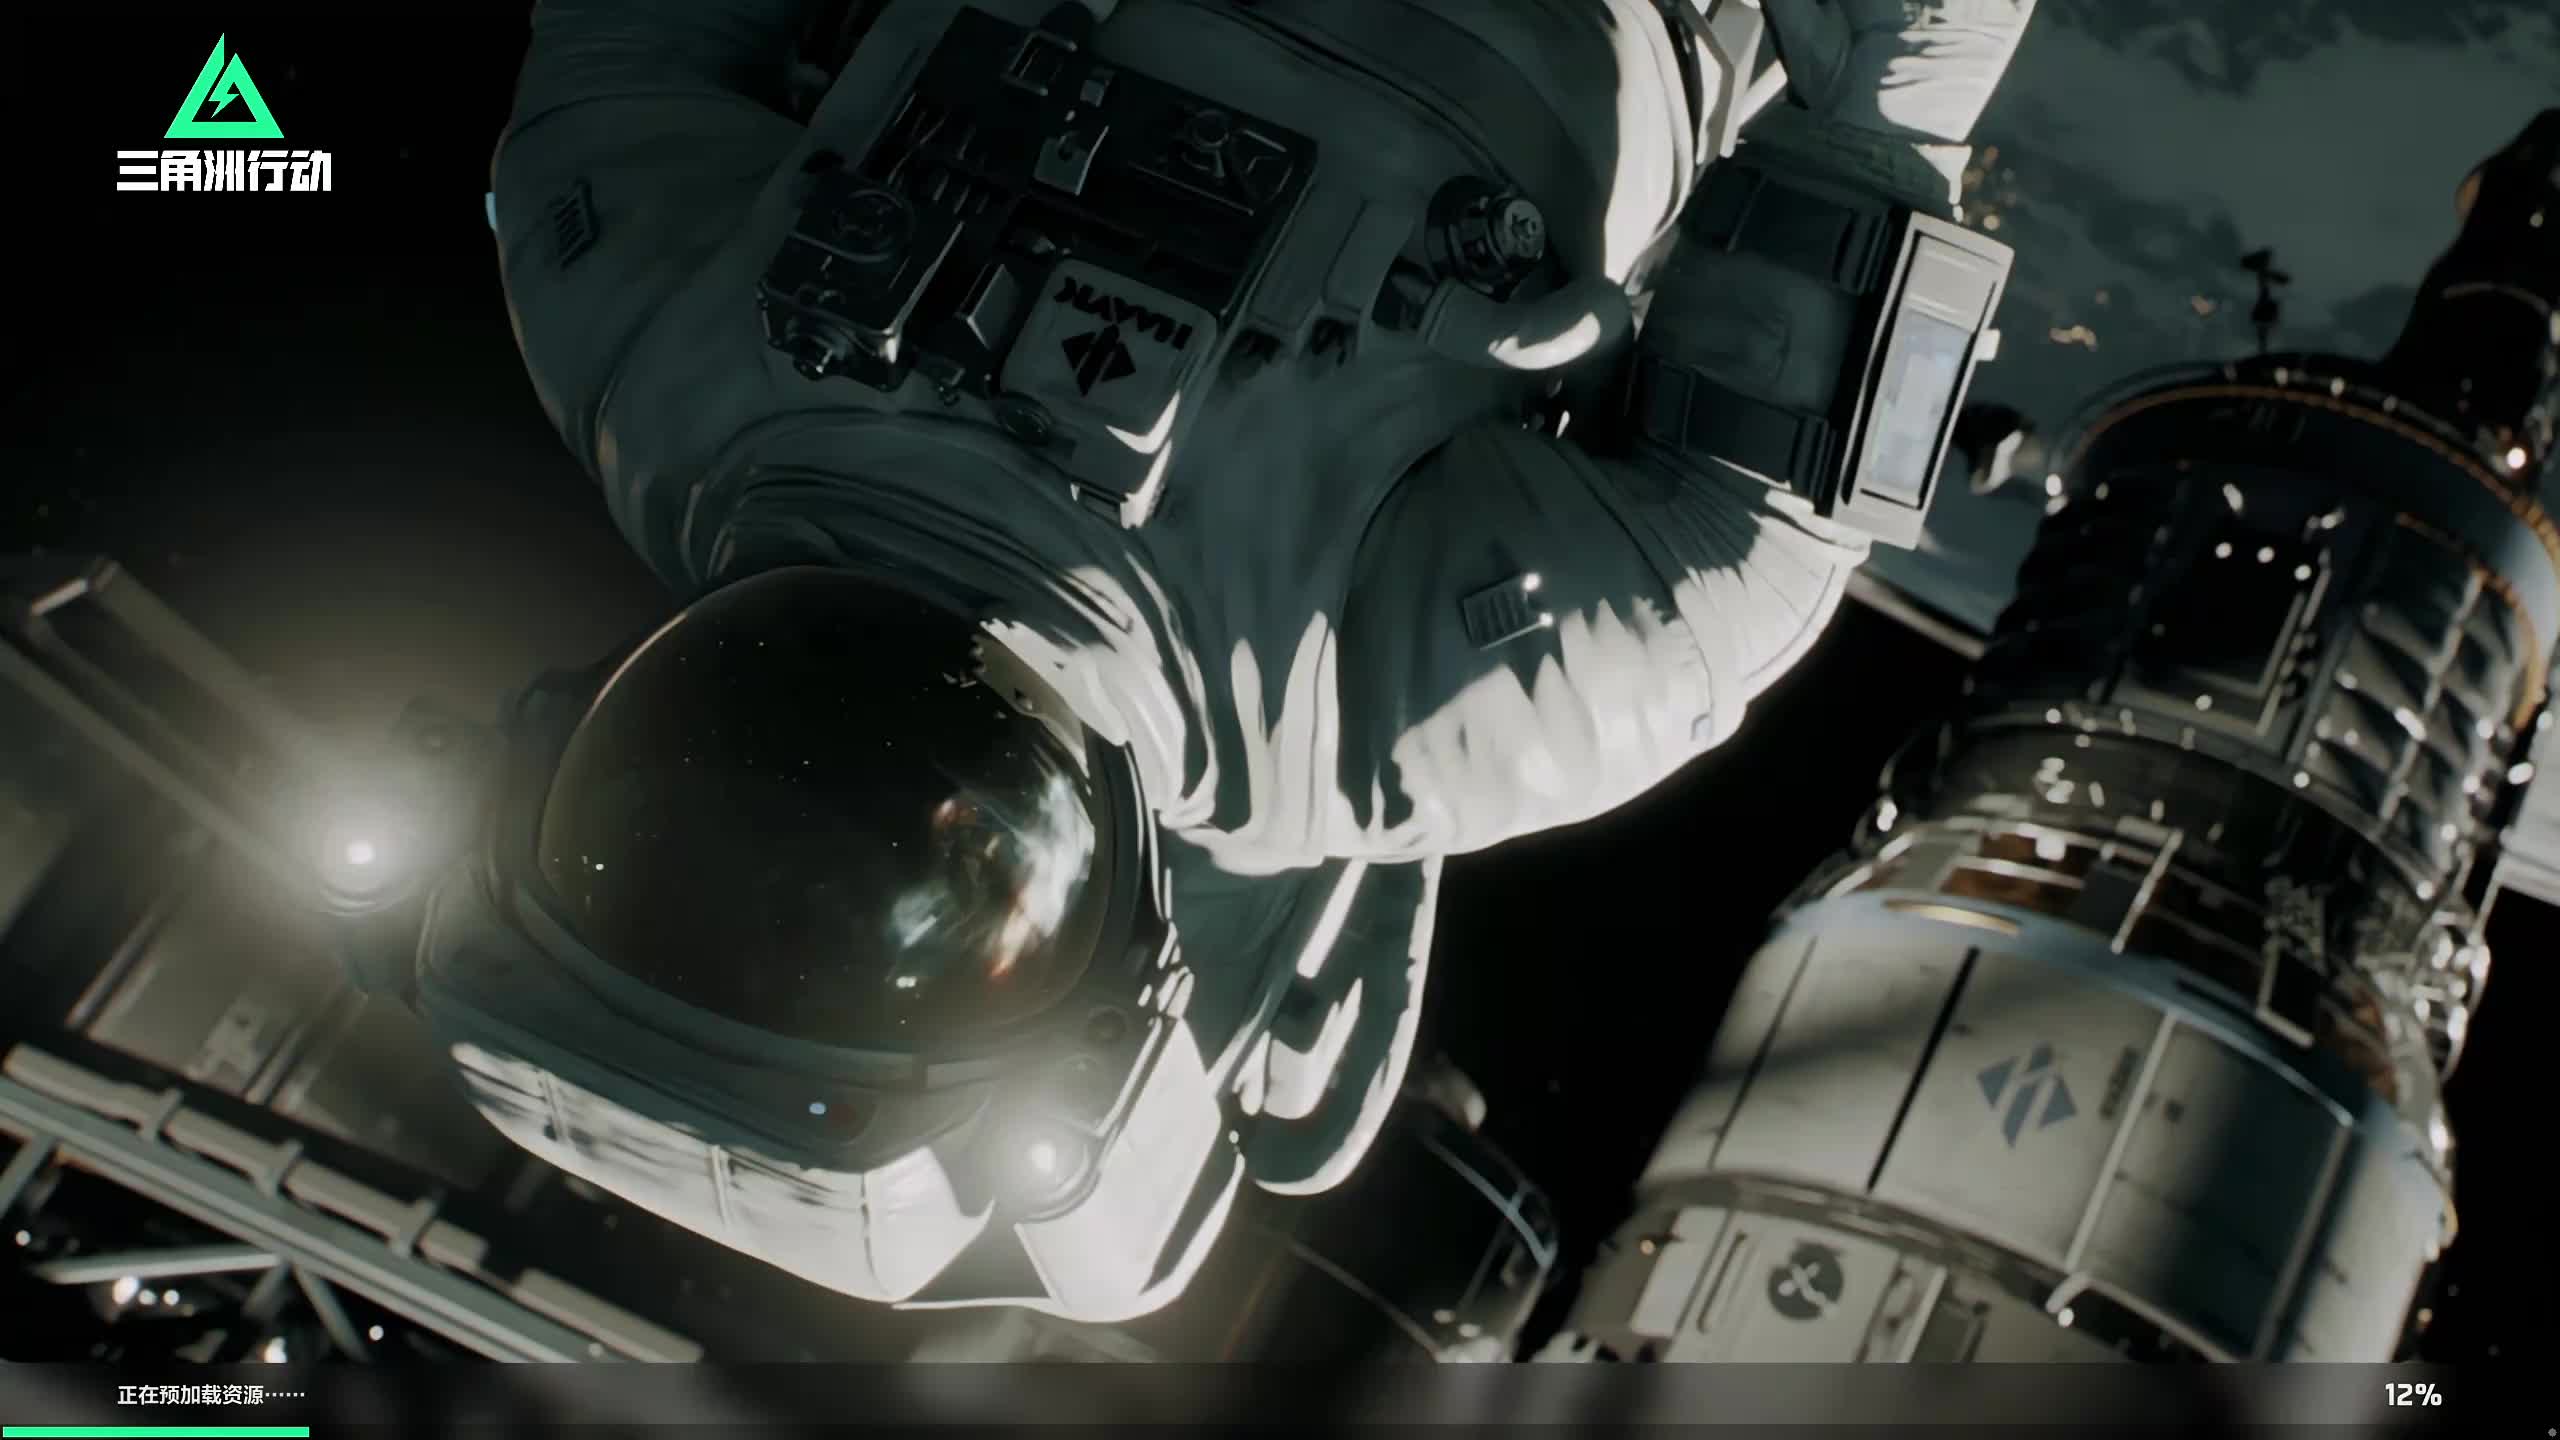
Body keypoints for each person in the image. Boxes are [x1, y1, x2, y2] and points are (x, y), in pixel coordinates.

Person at [441, 0, 2034, 1324]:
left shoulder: (649, 355)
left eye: (697, 868)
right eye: (874, 916)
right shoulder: (1404, 705)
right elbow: (1770, 471)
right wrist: (1891, 94)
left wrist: (1891, 103)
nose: (841, 807)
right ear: (1112, 994)